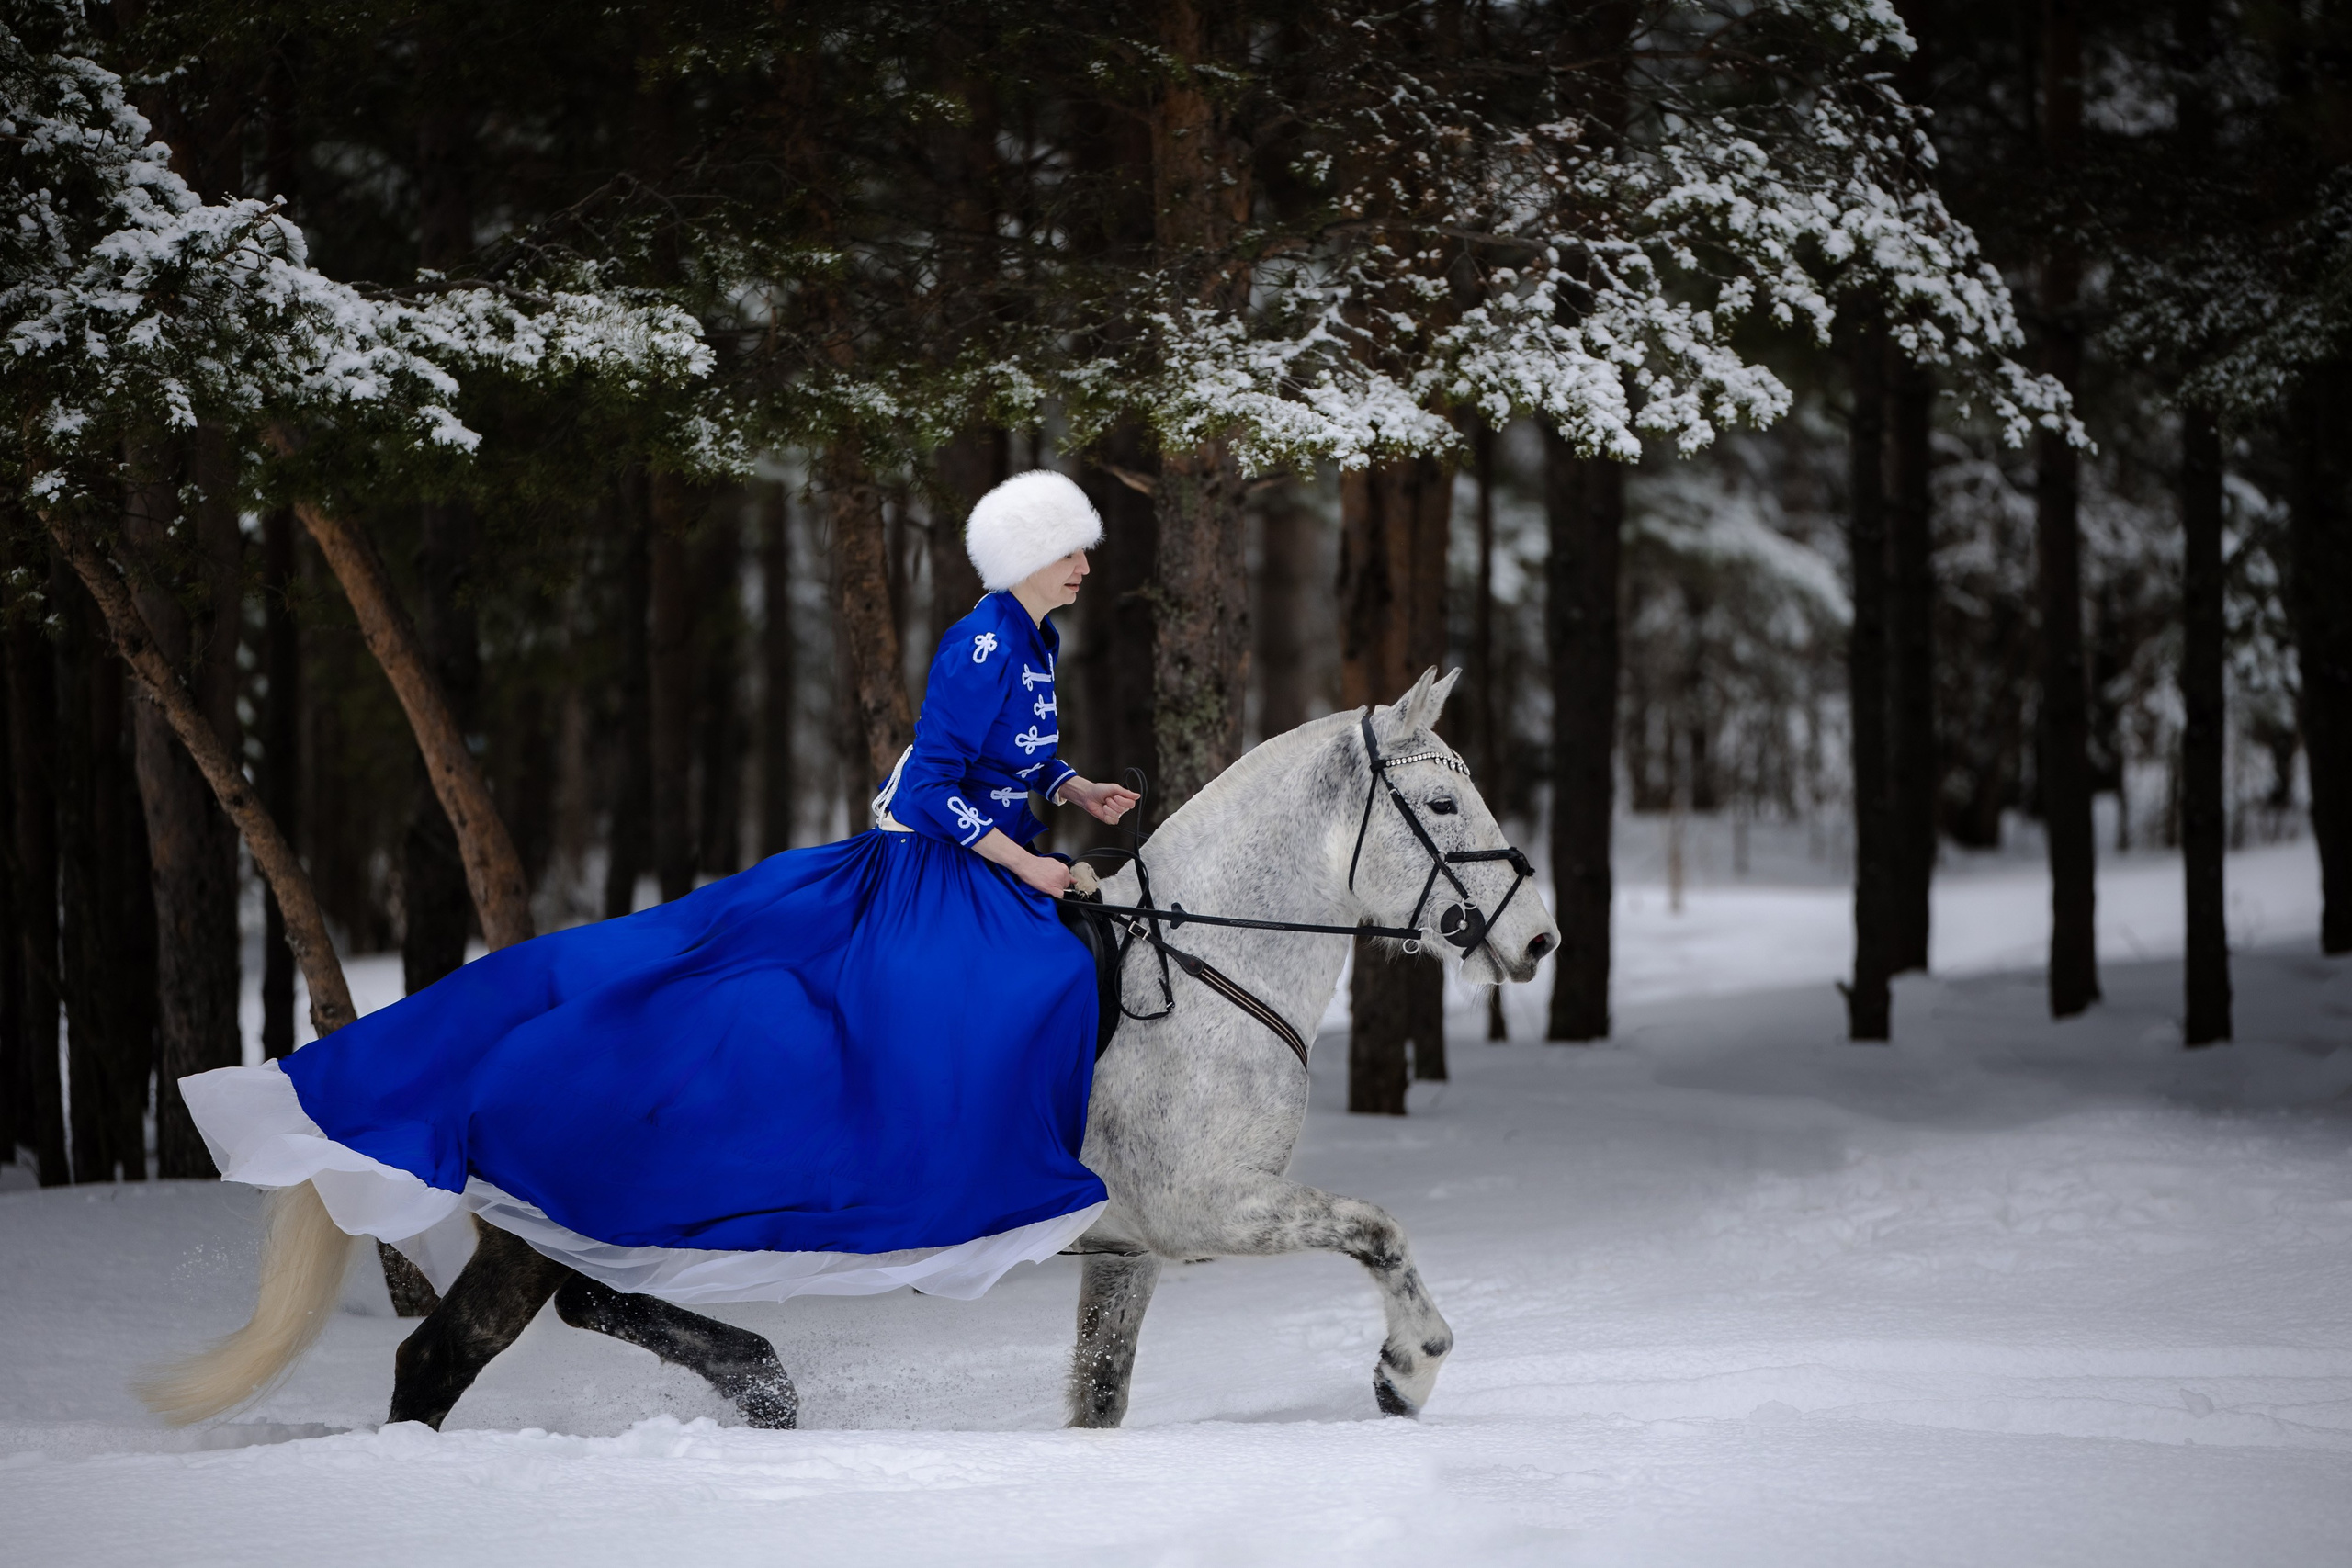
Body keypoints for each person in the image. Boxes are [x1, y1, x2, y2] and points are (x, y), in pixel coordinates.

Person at [181, 471, 1140, 1303]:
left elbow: (1012, 757)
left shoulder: (1035, 641)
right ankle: (951, 1175)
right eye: (1071, 552)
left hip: (992, 859)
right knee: (1033, 986)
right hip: (937, 871)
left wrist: (1074, 788)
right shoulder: (981, 643)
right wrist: (1026, 862)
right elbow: (930, 787)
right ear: (1025, 555)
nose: (1085, 569)